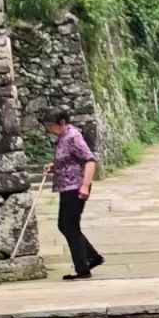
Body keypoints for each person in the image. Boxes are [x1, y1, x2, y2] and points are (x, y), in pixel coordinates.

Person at [43, 109, 105, 281]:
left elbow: (89, 160)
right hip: (66, 187)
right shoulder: (63, 137)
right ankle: (92, 257)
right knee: (65, 225)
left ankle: (82, 268)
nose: (49, 129)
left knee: (70, 226)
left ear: (62, 123)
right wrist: (54, 166)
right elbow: (69, 160)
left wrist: (85, 186)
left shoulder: (73, 136)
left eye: (51, 125)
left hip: (75, 187)